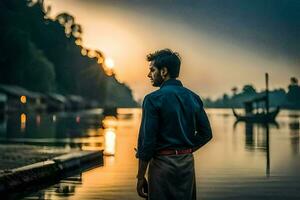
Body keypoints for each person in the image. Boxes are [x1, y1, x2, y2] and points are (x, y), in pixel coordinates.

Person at [136, 49, 213, 200]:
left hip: (162, 166)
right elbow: (206, 134)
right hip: (187, 165)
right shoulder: (193, 97)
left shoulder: (153, 99)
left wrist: (140, 176)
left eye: (152, 70)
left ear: (164, 71)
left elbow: (147, 143)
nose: (148, 74)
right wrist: (186, 149)